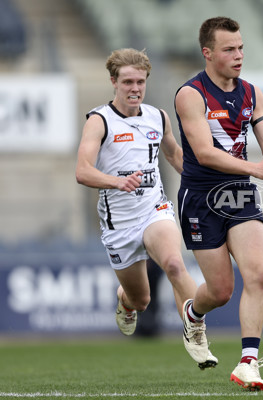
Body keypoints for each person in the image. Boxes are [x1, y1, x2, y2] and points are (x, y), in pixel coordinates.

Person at [174, 17, 263, 391]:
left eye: (241, 48)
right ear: (208, 53)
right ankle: (193, 313)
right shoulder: (192, 95)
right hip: (201, 197)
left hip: (239, 192)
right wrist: (258, 168)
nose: (238, 56)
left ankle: (248, 362)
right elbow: (204, 153)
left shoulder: (251, 93)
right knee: (220, 291)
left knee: (259, 273)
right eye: (229, 49)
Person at [75, 48, 207, 363]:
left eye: (141, 82)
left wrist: (203, 184)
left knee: (174, 264)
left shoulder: (157, 117)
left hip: (153, 210)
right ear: (113, 82)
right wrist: (115, 181)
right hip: (119, 224)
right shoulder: (99, 120)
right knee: (141, 298)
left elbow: (175, 154)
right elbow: (82, 171)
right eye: (128, 82)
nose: (135, 88)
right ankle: (126, 301)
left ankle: (197, 334)